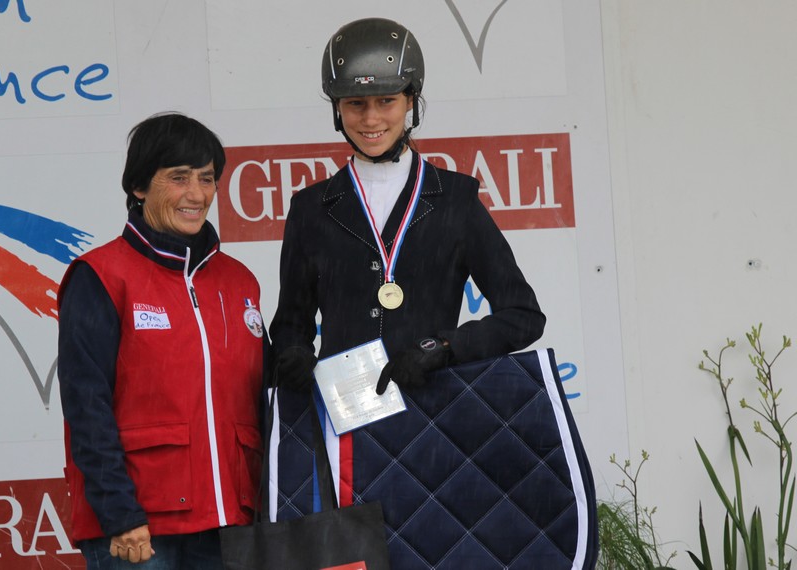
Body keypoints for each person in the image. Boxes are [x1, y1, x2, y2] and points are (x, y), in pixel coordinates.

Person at [271, 16, 545, 399]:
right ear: (337, 108)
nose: (371, 119)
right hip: (342, 422)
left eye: (386, 101)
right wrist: (294, 352)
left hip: (434, 426)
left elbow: (523, 316)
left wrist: (444, 347)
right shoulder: (310, 209)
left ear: (411, 100)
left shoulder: (456, 200)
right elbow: (290, 323)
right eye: (356, 104)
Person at [57, 112, 266, 569]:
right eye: (178, 178)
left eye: (207, 179)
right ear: (138, 186)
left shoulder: (239, 281)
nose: (197, 194)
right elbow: (84, 405)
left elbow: (262, 401)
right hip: (140, 528)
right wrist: (119, 513)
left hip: (231, 523)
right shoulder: (102, 275)